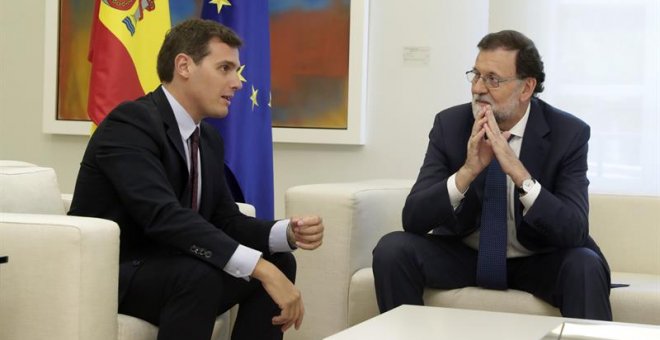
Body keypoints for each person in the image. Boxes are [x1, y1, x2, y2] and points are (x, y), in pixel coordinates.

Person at [69, 19, 324, 340]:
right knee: (202, 275)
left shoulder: (207, 140)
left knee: (281, 261)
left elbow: (225, 219)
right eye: (225, 68)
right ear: (184, 66)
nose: (237, 82)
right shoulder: (130, 123)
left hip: (171, 266)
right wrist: (260, 268)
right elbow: (163, 217)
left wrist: (286, 233)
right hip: (115, 271)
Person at [372, 30, 612, 320]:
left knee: (584, 264)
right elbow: (414, 219)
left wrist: (520, 174)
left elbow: (574, 229)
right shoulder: (450, 125)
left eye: (492, 79)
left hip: (537, 258)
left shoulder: (568, 133)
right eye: (475, 75)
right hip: (465, 256)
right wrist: (467, 172)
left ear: (526, 88)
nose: (477, 88)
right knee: (392, 250)